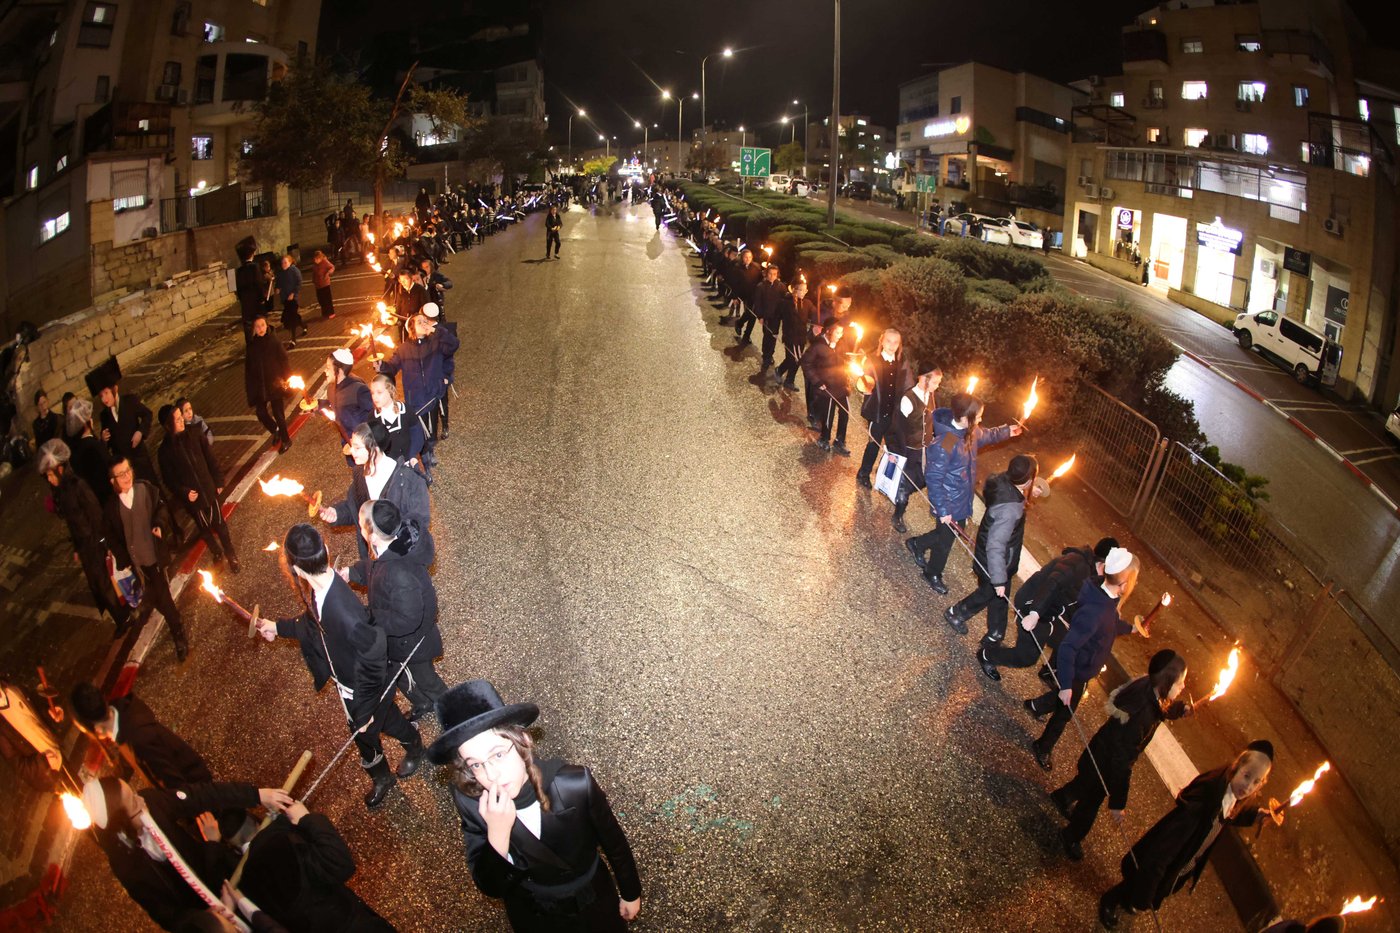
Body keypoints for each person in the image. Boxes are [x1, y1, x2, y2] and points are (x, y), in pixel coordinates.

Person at [429, 679, 643, 931]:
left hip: (593, 899)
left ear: (523, 741)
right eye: (476, 764)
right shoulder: (472, 802)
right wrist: (498, 834)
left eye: (498, 754)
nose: (491, 774)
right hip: (532, 913)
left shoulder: (573, 784)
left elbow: (614, 841)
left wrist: (630, 892)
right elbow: (491, 885)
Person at [254, 524, 425, 809]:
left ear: (297, 570)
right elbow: (312, 624)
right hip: (352, 686)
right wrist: (277, 627)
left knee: (372, 727)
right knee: (370, 730)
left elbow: (374, 653)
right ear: (326, 551)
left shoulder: (344, 610)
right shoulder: (320, 588)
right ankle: (383, 775)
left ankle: (414, 745)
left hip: (365, 689)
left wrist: (366, 709)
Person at [1097, 741, 1282, 929]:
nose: (1248, 786)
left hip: (1182, 861)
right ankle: (1111, 900)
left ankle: (1133, 897)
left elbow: (1229, 813)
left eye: (1256, 782)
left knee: (1152, 886)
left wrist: (1256, 814)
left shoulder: (1230, 792)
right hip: (1168, 860)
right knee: (1138, 883)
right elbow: (1163, 852)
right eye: (1247, 776)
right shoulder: (1201, 806)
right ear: (1237, 766)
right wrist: (1145, 895)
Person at [80, 775, 293, 932]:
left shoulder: (150, 802)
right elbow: (168, 915)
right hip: (218, 918)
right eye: (134, 801)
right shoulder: (126, 867)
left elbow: (200, 795)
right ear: (122, 825)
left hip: (229, 875)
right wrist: (209, 918)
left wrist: (256, 795)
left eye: (134, 793)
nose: (141, 799)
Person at [1052, 649, 1192, 861]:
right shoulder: (1141, 717)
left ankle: (1063, 796)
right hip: (1105, 765)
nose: (1183, 687)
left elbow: (1160, 710)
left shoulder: (1148, 687)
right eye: (1180, 682)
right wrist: (1118, 802)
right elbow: (1122, 762)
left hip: (1099, 753)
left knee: (1083, 782)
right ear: (1165, 683)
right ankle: (1071, 835)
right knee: (1090, 805)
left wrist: (1180, 710)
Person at [1025, 547, 1141, 771]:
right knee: (1065, 712)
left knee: (1064, 700)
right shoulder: (1096, 611)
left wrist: (1130, 629)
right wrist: (1066, 684)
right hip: (1078, 669)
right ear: (1124, 585)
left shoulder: (1104, 595)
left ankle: (1036, 705)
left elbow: (1111, 625)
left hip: (1082, 666)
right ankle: (1043, 746)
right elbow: (1069, 647)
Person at [905, 393, 1021, 595]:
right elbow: (933, 477)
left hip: (960, 497)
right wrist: (942, 508)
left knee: (952, 532)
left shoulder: (972, 432)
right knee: (945, 541)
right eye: (978, 417)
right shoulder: (947, 441)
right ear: (966, 418)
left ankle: (917, 543)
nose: (981, 420)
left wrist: (1007, 431)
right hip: (948, 501)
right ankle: (932, 572)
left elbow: (988, 435)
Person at [230, 797, 394, 932]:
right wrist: (306, 818)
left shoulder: (242, 884)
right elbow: (339, 863)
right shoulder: (282, 839)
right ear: (254, 819)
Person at [347, 500, 447, 722]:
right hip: (398, 642)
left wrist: (372, 616)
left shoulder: (399, 573)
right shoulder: (390, 548)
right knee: (401, 676)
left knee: (427, 679)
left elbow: (408, 620)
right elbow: (373, 569)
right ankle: (423, 703)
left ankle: (452, 712)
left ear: (371, 536)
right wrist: (351, 572)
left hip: (411, 643)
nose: (360, 528)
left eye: (363, 525)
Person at [976, 537, 1118, 682]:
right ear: (1104, 563)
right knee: (1027, 657)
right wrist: (1034, 613)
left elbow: (1074, 599)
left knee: (1066, 641)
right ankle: (987, 655)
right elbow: (1052, 583)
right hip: (1033, 603)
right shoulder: (1077, 564)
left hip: (1049, 612)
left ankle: (1050, 671)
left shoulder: (1093, 573)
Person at [37, 439, 131, 633]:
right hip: (86, 547)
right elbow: (73, 523)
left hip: (95, 544)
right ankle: (120, 617)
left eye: (50, 474)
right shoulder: (62, 491)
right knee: (98, 584)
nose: (50, 479)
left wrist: (104, 542)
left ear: (60, 469)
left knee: (105, 583)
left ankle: (124, 617)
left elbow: (95, 515)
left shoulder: (78, 486)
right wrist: (77, 548)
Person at [944, 455, 1042, 642]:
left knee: (1000, 596)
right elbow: (996, 545)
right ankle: (956, 612)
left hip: (999, 561)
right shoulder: (1010, 510)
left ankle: (996, 633)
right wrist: (998, 580)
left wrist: (1028, 492)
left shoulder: (1004, 482)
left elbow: (1013, 494)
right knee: (989, 592)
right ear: (1027, 481)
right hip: (995, 562)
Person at [103, 457, 190, 660]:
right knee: (155, 597)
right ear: (112, 481)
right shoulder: (111, 508)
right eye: (121, 474)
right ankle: (174, 620)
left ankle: (178, 632)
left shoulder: (145, 489)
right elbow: (111, 537)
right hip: (136, 565)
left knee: (163, 596)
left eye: (128, 470)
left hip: (154, 557)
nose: (126, 476)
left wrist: (159, 523)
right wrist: (122, 558)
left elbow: (161, 508)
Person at [320, 422, 433, 564]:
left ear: (375, 448)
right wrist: (337, 513)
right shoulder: (360, 475)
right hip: (375, 559)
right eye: (352, 446)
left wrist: (390, 554)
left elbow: (419, 524)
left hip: (402, 560)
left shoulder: (409, 480)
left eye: (357, 447)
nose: (351, 452)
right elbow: (356, 508)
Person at [70, 684, 212, 789]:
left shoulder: (138, 740)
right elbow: (128, 760)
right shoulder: (124, 712)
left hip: (197, 791)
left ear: (96, 728)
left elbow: (176, 787)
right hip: (192, 779)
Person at [157, 404, 240, 573]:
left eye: (182, 417)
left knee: (220, 525)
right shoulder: (164, 451)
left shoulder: (194, 433)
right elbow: (169, 480)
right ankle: (217, 552)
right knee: (204, 529)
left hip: (208, 489)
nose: (182, 421)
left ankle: (230, 553)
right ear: (168, 425)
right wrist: (184, 492)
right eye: (178, 419)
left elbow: (210, 458)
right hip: (193, 500)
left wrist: (218, 481)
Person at [376, 307, 459, 468]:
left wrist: (438, 331)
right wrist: (381, 365)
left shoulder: (436, 341)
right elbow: (391, 367)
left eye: (425, 321)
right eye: (419, 321)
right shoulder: (403, 349)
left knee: (432, 428)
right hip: (415, 397)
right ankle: (426, 455)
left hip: (433, 393)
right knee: (419, 430)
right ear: (412, 328)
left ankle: (431, 447)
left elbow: (454, 345)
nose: (424, 323)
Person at [855, 329, 914, 490]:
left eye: (896, 342)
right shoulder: (872, 360)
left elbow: (908, 385)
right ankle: (864, 473)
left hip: (895, 413)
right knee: (874, 444)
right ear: (881, 341)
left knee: (894, 447)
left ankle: (887, 481)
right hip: (877, 411)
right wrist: (864, 387)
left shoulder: (902, 362)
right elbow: (864, 381)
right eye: (888, 341)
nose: (892, 345)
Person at [889, 364, 942, 533]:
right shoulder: (908, 399)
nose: (937, 386)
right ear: (923, 378)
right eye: (935, 382)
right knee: (907, 483)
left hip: (925, 450)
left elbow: (933, 422)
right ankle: (898, 514)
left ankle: (899, 492)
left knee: (923, 480)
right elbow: (896, 428)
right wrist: (894, 451)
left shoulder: (932, 396)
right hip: (909, 450)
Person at [245, 312, 293, 454]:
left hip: (275, 384)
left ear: (267, 326)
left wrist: (287, 379)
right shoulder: (252, 346)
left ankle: (286, 440)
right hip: (261, 387)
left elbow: (284, 361)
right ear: (254, 329)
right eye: (258, 326)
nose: (261, 328)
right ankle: (275, 430)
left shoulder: (274, 341)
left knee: (278, 414)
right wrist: (251, 388)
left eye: (263, 325)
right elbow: (249, 369)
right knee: (261, 412)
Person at [96, 375, 156, 484]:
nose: (104, 399)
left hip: (139, 457)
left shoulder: (130, 401)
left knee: (151, 487)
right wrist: (104, 439)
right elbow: (108, 442)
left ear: (115, 389)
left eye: (106, 393)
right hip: (124, 465)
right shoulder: (104, 415)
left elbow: (147, 414)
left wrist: (140, 431)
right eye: (101, 396)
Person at [805, 322, 850, 454]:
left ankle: (840, 441)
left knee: (845, 413)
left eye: (842, 333)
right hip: (828, 386)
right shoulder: (818, 346)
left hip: (841, 385)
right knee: (828, 414)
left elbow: (843, 360)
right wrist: (817, 381)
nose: (840, 336)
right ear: (829, 331)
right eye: (837, 332)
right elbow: (806, 363)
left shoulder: (840, 344)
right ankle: (824, 438)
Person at [369, 375, 424, 470]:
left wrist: (413, 454)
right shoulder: (373, 418)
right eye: (373, 393)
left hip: (409, 463)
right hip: (390, 469)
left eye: (379, 392)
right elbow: (373, 445)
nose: (375, 397)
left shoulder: (405, 410)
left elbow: (417, 433)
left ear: (390, 391)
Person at [66, 397, 114, 505]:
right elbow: (109, 468)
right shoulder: (93, 446)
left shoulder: (74, 452)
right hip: (109, 499)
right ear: (87, 424)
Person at [328, 349, 374, 452]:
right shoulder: (331, 389)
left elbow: (375, 412)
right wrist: (318, 405)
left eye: (328, 368)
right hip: (349, 445)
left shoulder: (357, 389)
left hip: (366, 445)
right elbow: (334, 406)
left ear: (339, 371)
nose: (325, 372)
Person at [775, 278, 815, 393]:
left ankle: (781, 373)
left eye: (805, 290)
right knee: (796, 359)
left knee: (792, 359)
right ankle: (788, 379)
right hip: (790, 337)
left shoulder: (807, 303)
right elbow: (777, 316)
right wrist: (774, 330)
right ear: (794, 290)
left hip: (801, 337)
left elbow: (815, 315)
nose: (804, 292)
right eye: (801, 290)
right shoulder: (786, 303)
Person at [751, 264, 788, 374]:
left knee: (773, 336)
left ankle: (770, 354)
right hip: (766, 317)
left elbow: (784, 300)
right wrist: (760, 316)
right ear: (766, 274)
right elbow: (758, 303)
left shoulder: (781, 286)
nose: (772, 276)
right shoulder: (761, 286)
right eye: (770, 274)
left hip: (776, 317)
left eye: (774, 274)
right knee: (767, 336)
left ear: (777, 275)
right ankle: (766, 356)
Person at [730, 249, 764, 346]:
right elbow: (735, 283)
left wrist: (764, 275)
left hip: (755, 294)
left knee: (752, 315)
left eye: (749, 257)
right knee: (750, 314)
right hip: (745, 294)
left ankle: (743, 330)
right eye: (745, 257)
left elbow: (760, 280)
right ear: (742, 258)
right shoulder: (738, 268)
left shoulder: (756, 267)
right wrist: (734, 297)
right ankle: (742, 328)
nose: (748, 259)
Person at [276, 254, 305, 341]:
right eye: (282, 263)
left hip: (293, 299)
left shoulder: (294, 270)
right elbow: (279, 282)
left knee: (291, 318)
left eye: (285, 262)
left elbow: (299, 282)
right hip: (285, 299)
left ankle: (293, 339)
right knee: (294, 316)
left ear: (290, 262)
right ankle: (304, 326)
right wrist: (277, 288)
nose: (283, 265)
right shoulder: (281, 273)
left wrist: (293, 293)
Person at [311, 250, 336, 320]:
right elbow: (314, 273)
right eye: (315, 259)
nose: (316, 260)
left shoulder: (325, 262)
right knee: (321, 300)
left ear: (320, 258)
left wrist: (328, 272)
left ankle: (331, 313)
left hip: (325, 284)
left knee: (327, 299)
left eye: (317, 259)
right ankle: (325, 313)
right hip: (318, 285)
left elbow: (332, 267)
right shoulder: (314, 265)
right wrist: (313, 280)